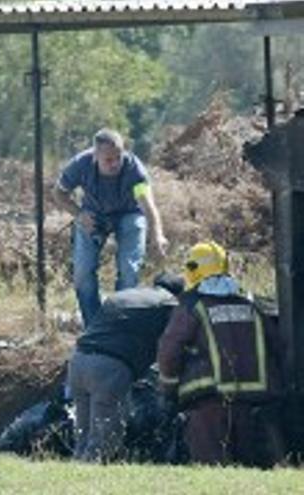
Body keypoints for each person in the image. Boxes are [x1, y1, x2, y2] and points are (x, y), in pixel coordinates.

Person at [157, 241, 285, 467]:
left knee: (212, 471)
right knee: (250, 472)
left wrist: (168, 389)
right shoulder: (251, 305)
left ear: (192, 270)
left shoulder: (191, 306)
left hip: (208, 405)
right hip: (253, 407)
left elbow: (169, 351)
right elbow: (278, 346)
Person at [53, 129, 169, 326]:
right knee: (82, 272)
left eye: (118, 157)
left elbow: (148, 205)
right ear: (95, 155)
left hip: (129, 213)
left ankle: (120, 324)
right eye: (108, 159)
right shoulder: (80, 165)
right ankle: (94, 326)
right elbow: (59, 194)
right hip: (93, 214)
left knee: (129, 269)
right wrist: (79, 214)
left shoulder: (134, 170)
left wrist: (157, 235)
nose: (115, 163)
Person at [68, 273, 184, 462]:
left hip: (78, 361)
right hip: (108, 369)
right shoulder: (168, 302)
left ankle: (74, 476)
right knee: (104, 438)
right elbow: (173, 342)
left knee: (83, 435)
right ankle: (91, 485)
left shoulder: (127, 296)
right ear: (177, 293)